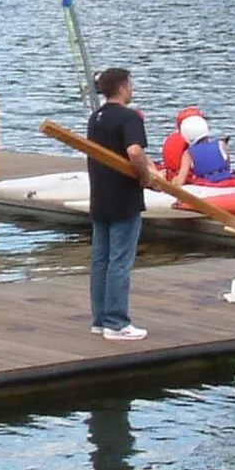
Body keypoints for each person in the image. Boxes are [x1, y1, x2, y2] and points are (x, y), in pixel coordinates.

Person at [86, 66, 154, 341]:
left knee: (101, 259)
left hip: (100, 195)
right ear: (124, 87)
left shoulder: (96, 118)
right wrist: (145, 176)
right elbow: (134, 151)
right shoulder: (129, 117)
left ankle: (100, 320)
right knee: (120, 261)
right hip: (124, 197)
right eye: (130, 84)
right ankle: (117, 322)